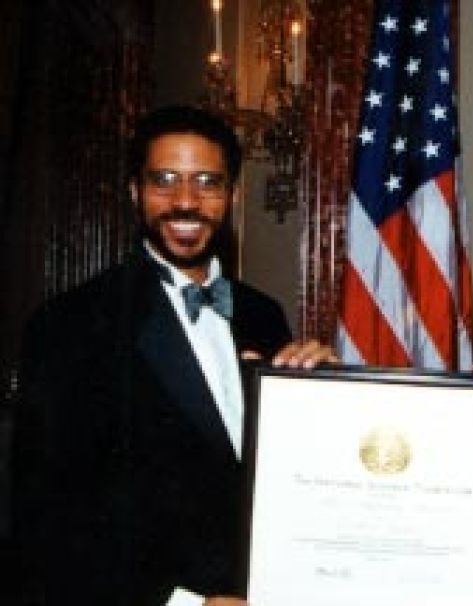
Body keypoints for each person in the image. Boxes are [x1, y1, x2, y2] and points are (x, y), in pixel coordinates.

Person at [12, 105, 336, 606]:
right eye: (165, 180)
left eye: (208, 182)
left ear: (231, 195)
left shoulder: (263, 315)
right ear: (135, 192)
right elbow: (47, 517)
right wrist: (185, 602)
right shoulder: (70, 325)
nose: (186, 202)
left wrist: (328, 396)